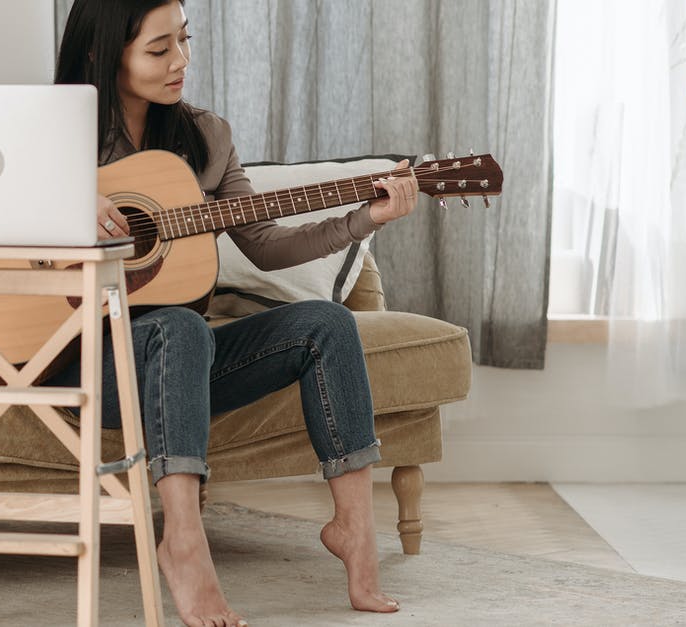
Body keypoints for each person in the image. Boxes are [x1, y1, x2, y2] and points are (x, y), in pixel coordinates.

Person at [51, 1, 419, 624]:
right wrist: (63, 191)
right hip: (77, 367)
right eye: (159, 49)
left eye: (185, 42)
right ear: (103, 54)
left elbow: (268, 245)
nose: (181, 62)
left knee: (326, 325)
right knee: (181, 322)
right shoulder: (48, 134)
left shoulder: (207, 137)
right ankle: (185, 543)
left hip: (178, 371)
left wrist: (366, 217)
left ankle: (355, 531)